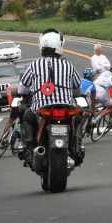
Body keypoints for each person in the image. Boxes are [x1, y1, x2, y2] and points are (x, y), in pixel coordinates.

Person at [18, 29, 82, 164]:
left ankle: (28, 150)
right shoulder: (68, 65)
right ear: (60, 46)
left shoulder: (34, 65)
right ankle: (77, 148)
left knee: (26, 117)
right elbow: (77, 90)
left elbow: (21, 89)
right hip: (66, 107)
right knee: (79, 117)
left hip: (40, 109)